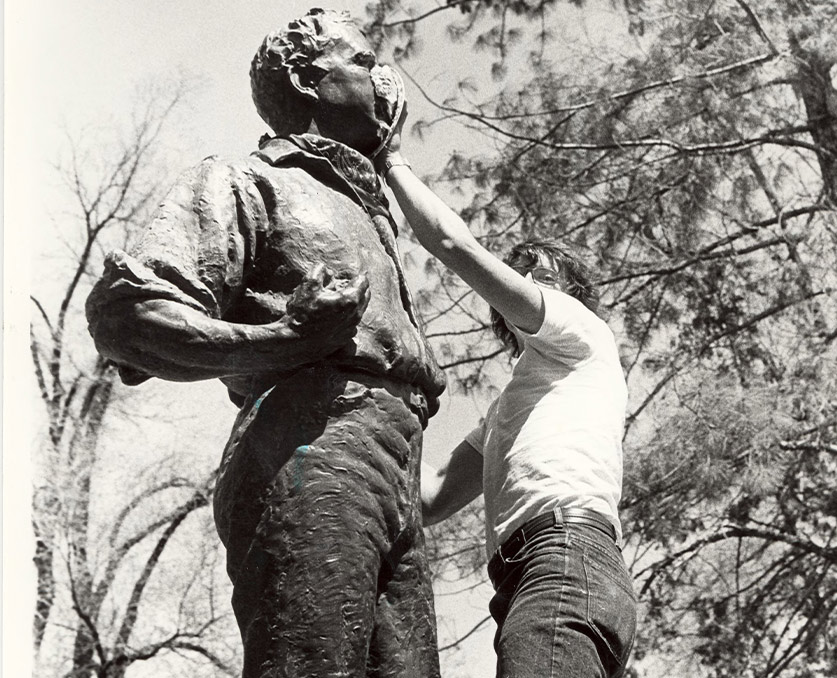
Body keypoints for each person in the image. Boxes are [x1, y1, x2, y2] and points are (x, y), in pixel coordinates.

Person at [85, 10, 444, 678]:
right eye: (364, 62)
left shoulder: (370, 211)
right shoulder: (249, 181)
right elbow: (128, 318)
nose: (384, 79)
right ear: (308, 81)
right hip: (309, 446)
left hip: (401, 470)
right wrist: (280, 338)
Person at [377, 111, 637, 677]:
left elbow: (451, 242)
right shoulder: (508, 411)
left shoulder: (582, 333)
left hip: (567, 557)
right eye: (520, 276)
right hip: (528, 576)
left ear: (571, 291)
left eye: (538, 276)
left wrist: (390, 162)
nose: (523, 283)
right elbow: (431, 499)